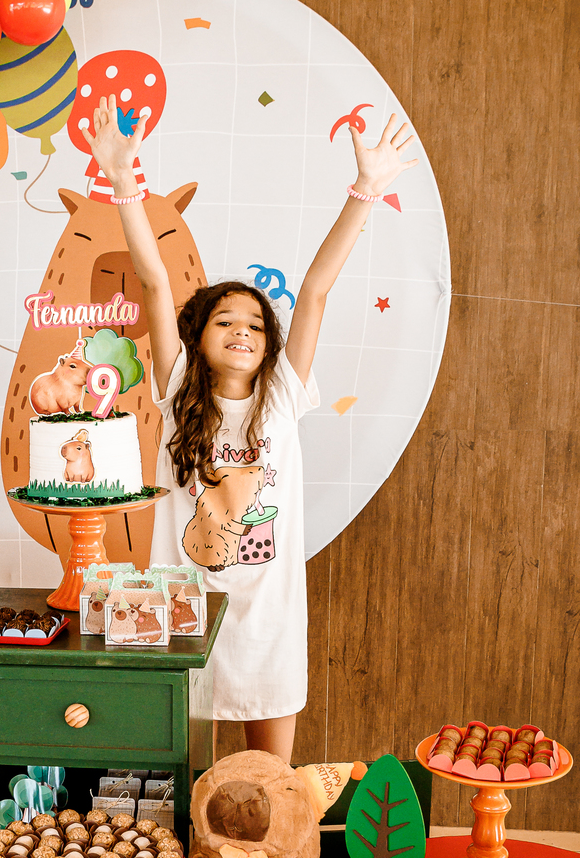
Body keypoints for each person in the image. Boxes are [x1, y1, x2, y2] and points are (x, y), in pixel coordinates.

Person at [81, 98, 417, 762]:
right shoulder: (177, 391)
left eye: (256, 324)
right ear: (197, 337)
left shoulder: (283, 397)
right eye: (225, 321)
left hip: (268, 625)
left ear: (269, 345)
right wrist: (123, 181)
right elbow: (154, 282)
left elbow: (315, 290)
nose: (242, 331)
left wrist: (365, 190)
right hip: (184, 618)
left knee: (269, 787)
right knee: (184, 786)